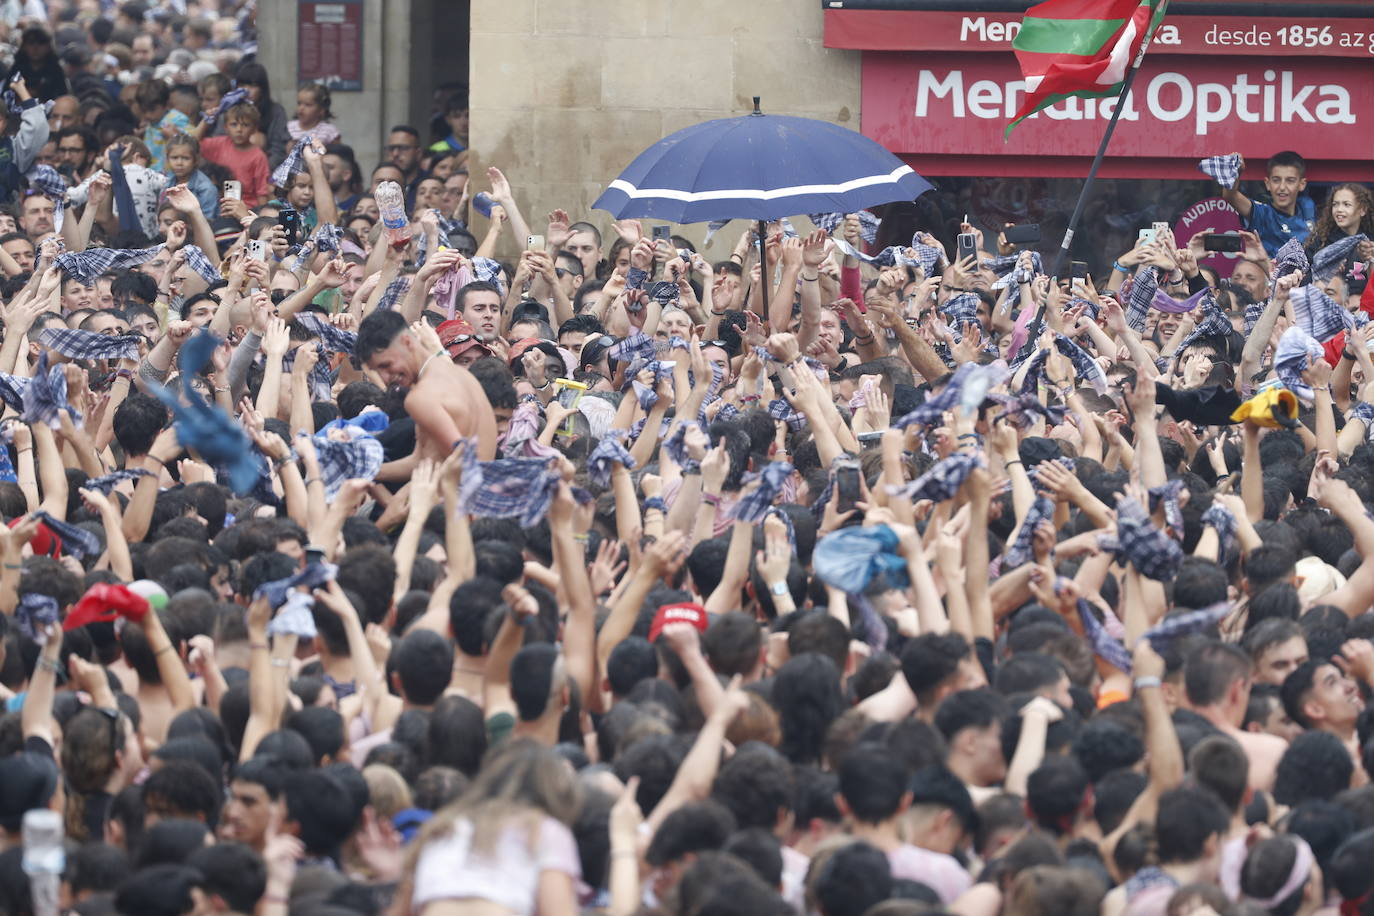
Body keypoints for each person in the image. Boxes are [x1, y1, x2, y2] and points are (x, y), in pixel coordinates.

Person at [355, 308, 499, 460]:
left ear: (407, 341)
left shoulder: (420, 397)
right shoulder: (460, 374)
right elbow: (421, 462)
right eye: (376, 370)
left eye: (386, 365)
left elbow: (466, 463)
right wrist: (365, 469)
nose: (385, 378)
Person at [1218, 150, 1316, 257]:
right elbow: (1230, 196)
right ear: (1268, 183)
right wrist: (1234, 171)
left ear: (1301, 184)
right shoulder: (1262, 214)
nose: (1282, 187)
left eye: (1290, 181)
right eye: (1276, 180)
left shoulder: (1308, 207)